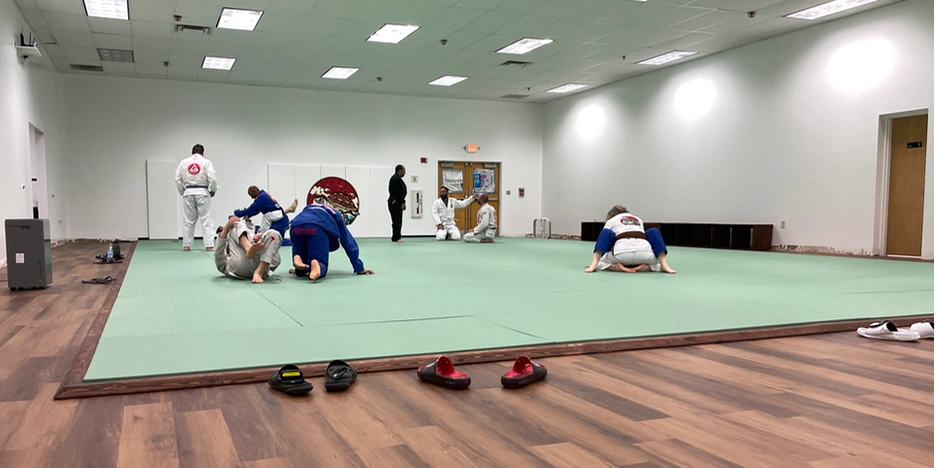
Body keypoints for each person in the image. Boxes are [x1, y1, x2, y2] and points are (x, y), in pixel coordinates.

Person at [289, 203, 375, 281]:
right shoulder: (335, 214)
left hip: (296, 226)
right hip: (317, 227)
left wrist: (296, 251)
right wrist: (359, 267)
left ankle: (299, 264)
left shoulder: (308, 208)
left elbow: (296, 239)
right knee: (320, 262)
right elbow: (347, 240)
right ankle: (317, 264)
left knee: (302, 254)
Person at [585, 205, 676, 274]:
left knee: (606, 234)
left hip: (621, 254)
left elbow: (605, 239)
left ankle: (600, 265)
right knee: (653, 231)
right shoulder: (638, 219)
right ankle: (661, 265)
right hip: (645, 254)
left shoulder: (611, 221)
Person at [175, 144, 218, 252]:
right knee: (206, 220)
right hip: (202, 191)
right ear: (203, 153)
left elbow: (177, 179)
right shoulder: (206, 162)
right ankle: (209, 245)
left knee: (188, 221)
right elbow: (212, 177)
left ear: (192, 152)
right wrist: (213, 189)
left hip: (188, 192)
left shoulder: (183, 162)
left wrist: (182, 191)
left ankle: (186, 245)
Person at [214, 215, 282, 284]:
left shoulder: (248, 237)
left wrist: (262, 242)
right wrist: (227, 228)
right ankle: (248, 249)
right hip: (241, 265)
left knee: (273, 234)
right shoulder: (230, 254)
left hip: (258, 263)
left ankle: (258, 271)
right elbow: (218, 253)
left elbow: (275, 260)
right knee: (236, 223)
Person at [234, 186, 298, 240]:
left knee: (267, 216)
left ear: (254, 192)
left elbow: (251, 210)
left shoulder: (261, 198)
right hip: (280, 218)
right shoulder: (264, 194)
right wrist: (247, 215)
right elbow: (255, 211)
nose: (251, 198)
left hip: (278, 219)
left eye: (251, 195)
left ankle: (289, 210)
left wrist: (237, 213)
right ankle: (287, 210)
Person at [387, 164, 407, 243]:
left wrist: (403, 201)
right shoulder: (395, 179)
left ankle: (397, 235)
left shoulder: (397, 179)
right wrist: (401, 202)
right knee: (396, 220)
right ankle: (396, 237)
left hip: (397, 202)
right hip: (395, 203)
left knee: (398, 220)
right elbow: (397, 192)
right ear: (400, 170)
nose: (405, 173)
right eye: (404, 171)